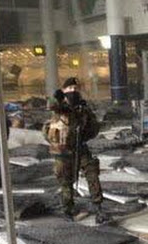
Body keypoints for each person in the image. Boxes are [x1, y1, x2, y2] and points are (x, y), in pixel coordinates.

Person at [43, 77, 107, 222]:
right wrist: (57, 98)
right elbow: (51, 106)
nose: (73, 91)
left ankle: (98, 208)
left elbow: (94, 128)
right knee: (66, 182)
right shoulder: (59, 106)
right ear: (64, 90)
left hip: (80, 147)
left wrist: (86, 118)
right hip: (62, 151)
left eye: (75, 89)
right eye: (69, 89)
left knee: (92, 174)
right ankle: (68, 211)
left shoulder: (82, 108)